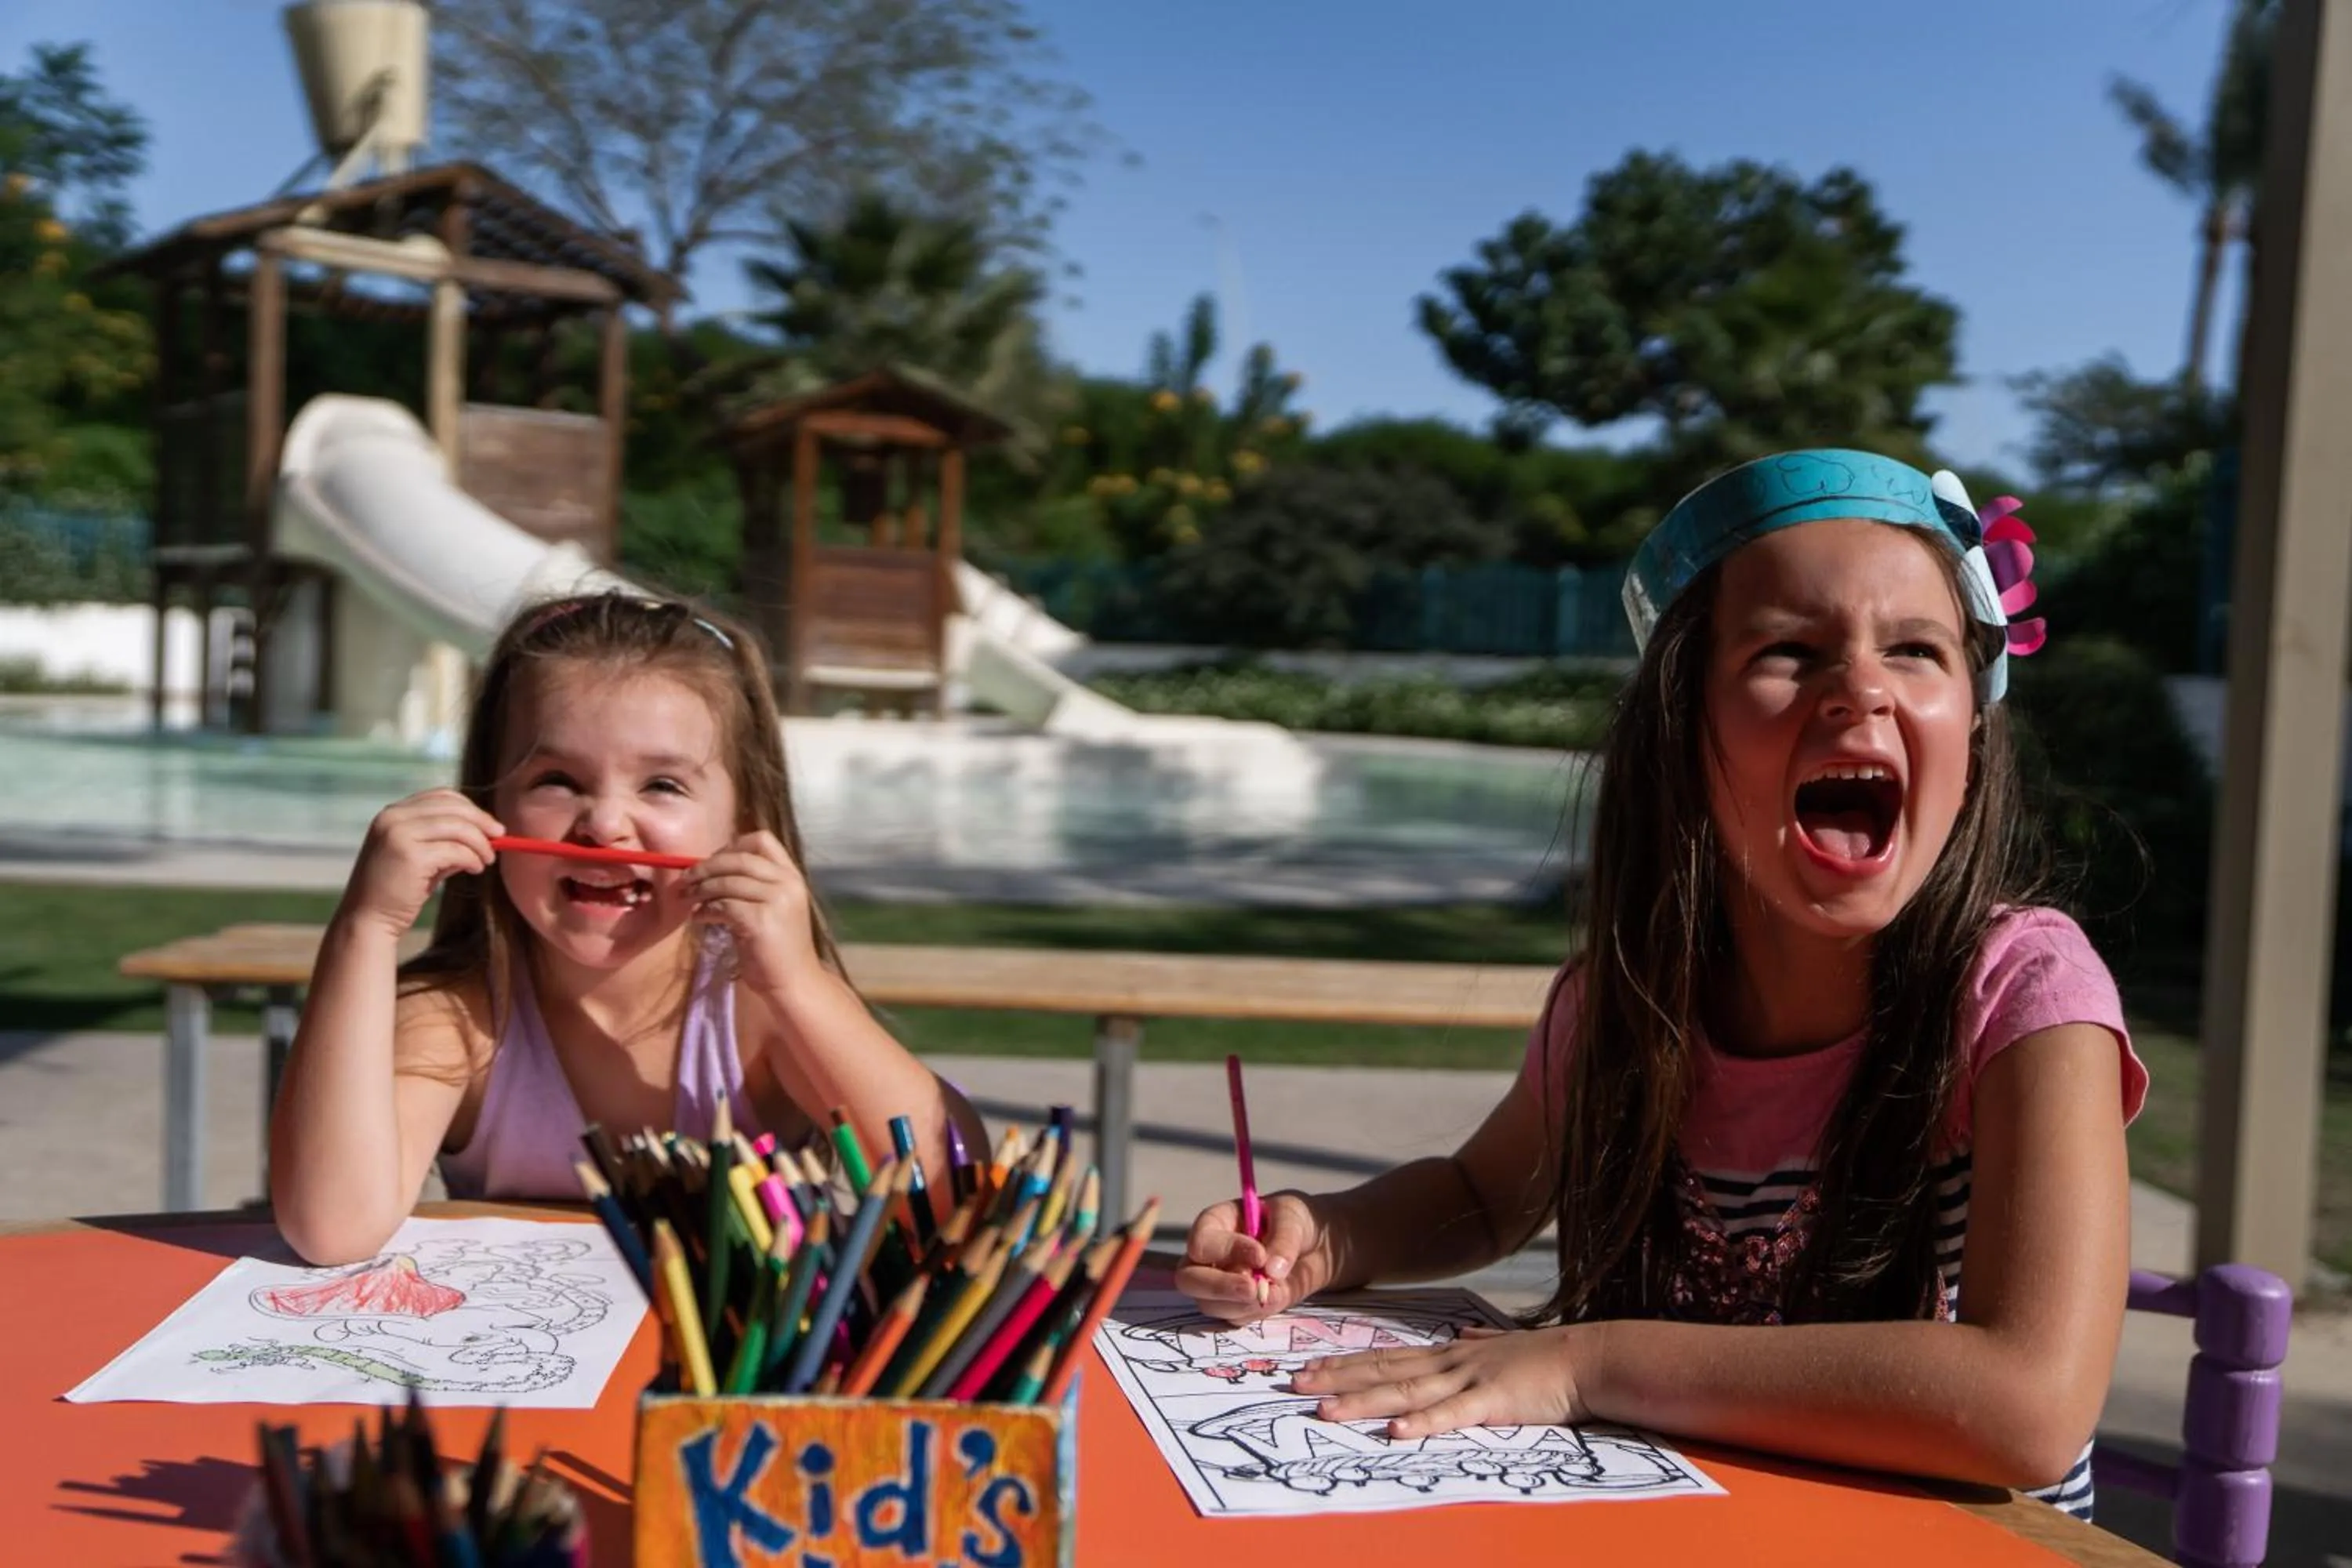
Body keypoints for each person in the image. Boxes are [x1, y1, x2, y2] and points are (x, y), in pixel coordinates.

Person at [1177, 450, 2145, 1518]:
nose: (1860, 688)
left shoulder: (2025, 994)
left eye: (1917, 649)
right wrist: (1328, 1235)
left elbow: (2029, 1405)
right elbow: (1481, 1195)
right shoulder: (1625, 999)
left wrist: (1585, 1365)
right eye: (1790, 650)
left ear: (1970, 726)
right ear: (1683, 735)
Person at [269, 591, 984, 1265]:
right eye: (556, 780)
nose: (605, 826)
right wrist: (367, 927)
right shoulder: (457, 1021)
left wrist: (799, 985)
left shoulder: (763, 1017)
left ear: (742, 821)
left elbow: (958, 1199)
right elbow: (332, 1228)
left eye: (663, 786)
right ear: (490, 805)